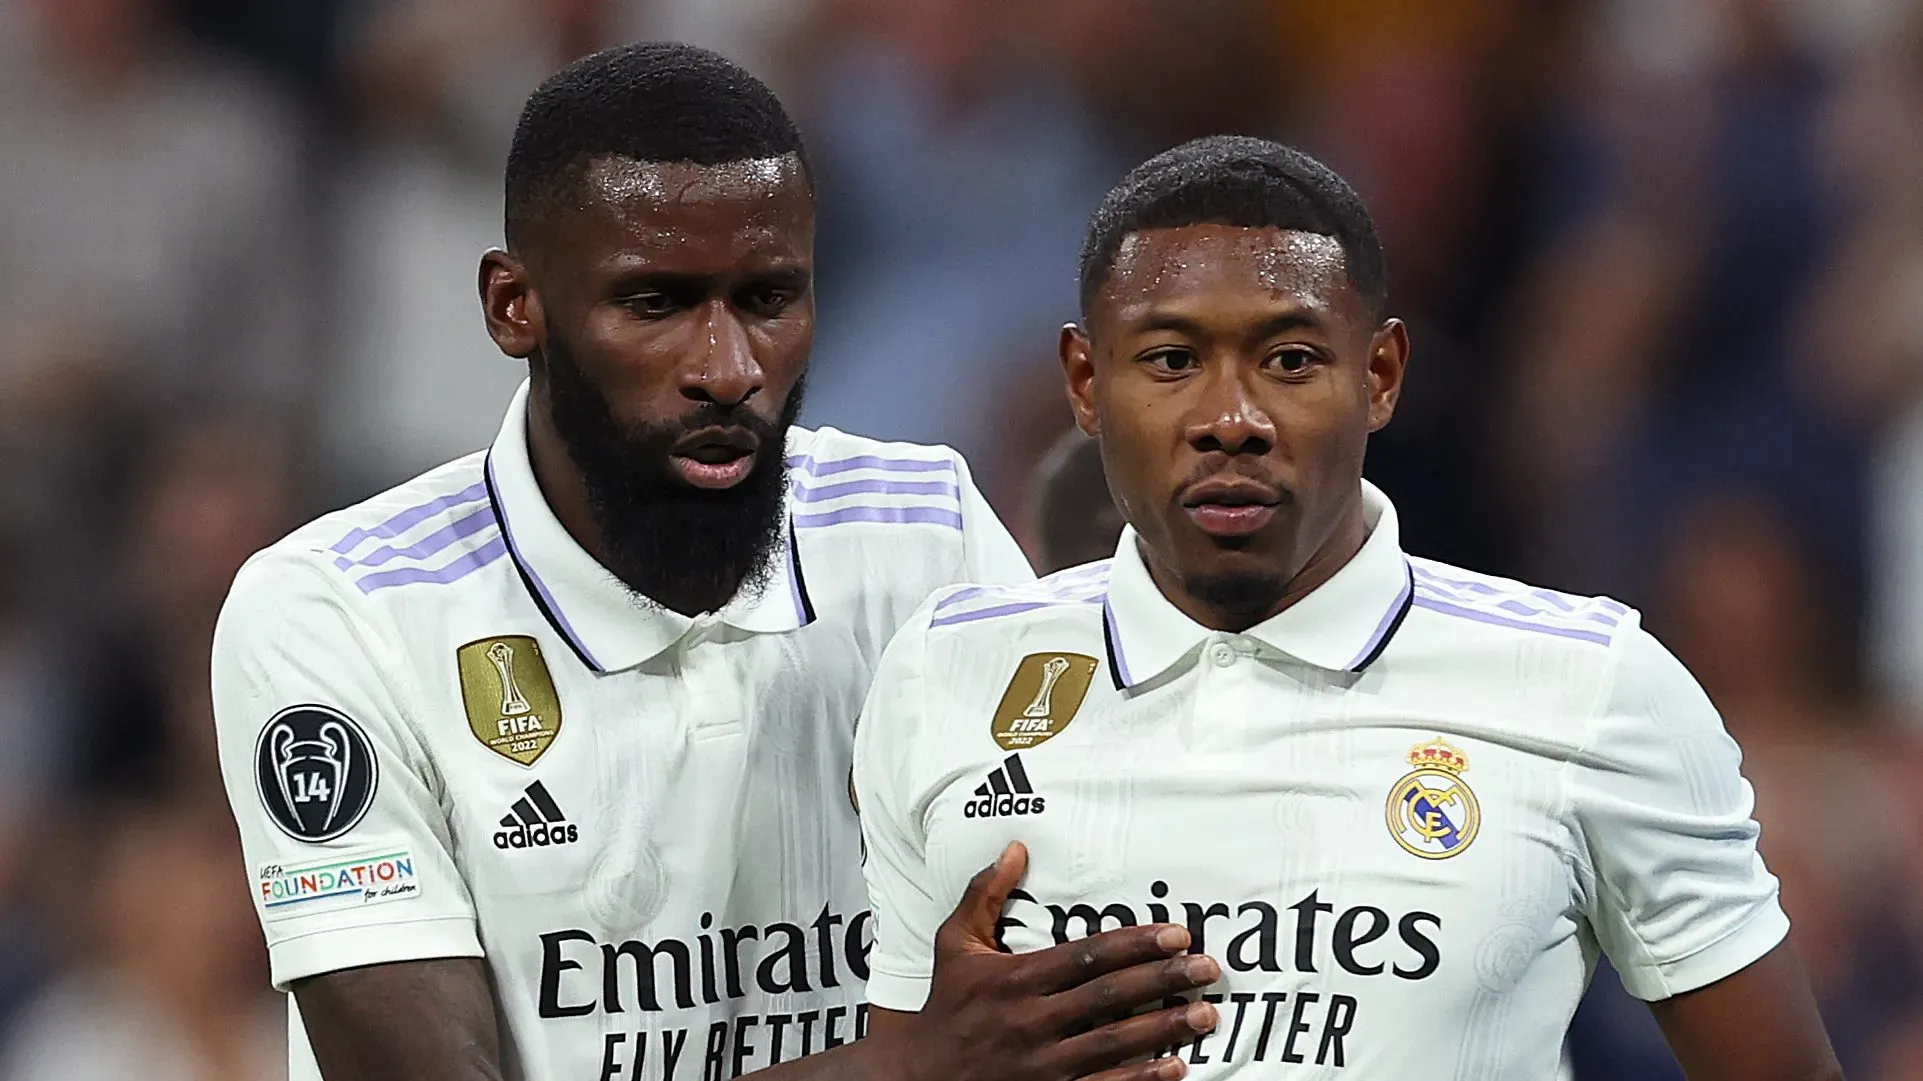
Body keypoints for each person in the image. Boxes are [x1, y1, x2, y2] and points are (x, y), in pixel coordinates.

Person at [210, 44, 1224, 1081]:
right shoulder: (339, 612)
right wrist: (899, 1070)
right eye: (656, 304)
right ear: (516, 306)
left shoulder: (923, 531)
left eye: (769, 298)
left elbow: (1073, 943)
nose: (728, 369)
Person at [852, 135, 1844, 1079]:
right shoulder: (946, 672)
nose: (1228, 421)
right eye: (1169, 360)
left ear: (1379, 375)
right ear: (1084, 380)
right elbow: (905, 1051)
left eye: (1289, 360)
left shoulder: (1592, 686)